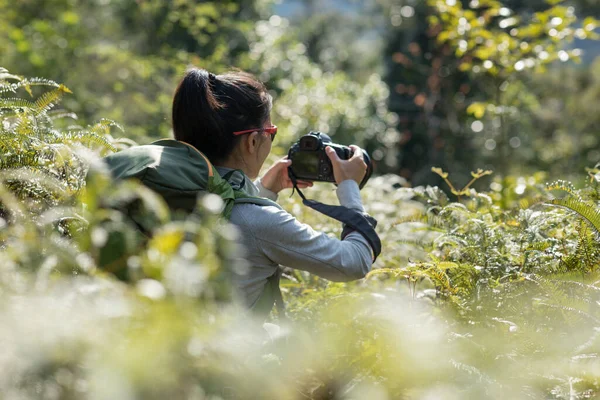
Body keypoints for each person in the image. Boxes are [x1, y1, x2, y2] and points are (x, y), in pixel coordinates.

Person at [171, 68, 377, 314]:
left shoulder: (176, 187)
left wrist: (263, 190)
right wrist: (349, 188)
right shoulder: (260, 221)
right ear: (252, 141)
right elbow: (354, 262)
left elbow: (232, 216)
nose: (271, 139)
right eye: (271, 132)